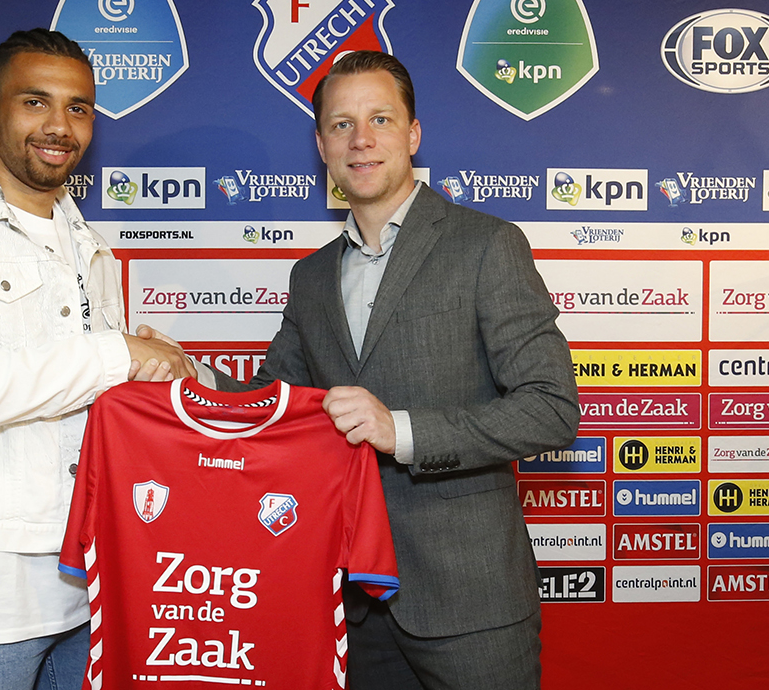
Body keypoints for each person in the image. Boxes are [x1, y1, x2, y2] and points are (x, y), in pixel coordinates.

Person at [211, 50, 580, 688]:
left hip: (470, 602)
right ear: (322, 146)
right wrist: (185, 377)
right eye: (341, 124)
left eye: (380, 119)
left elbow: (550, 408)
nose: (361, 139)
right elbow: (272, 401)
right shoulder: (311, 276)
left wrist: (400, 430)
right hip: (354, 598)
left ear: (412, 135)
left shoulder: (487, 245)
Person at [0, 28, 195, 690]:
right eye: (35, 102)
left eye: (78, 108)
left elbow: (93, 393)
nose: (59, 125)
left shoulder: (86, 239)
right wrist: (118, 353)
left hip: (86, 571)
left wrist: (163, 367)